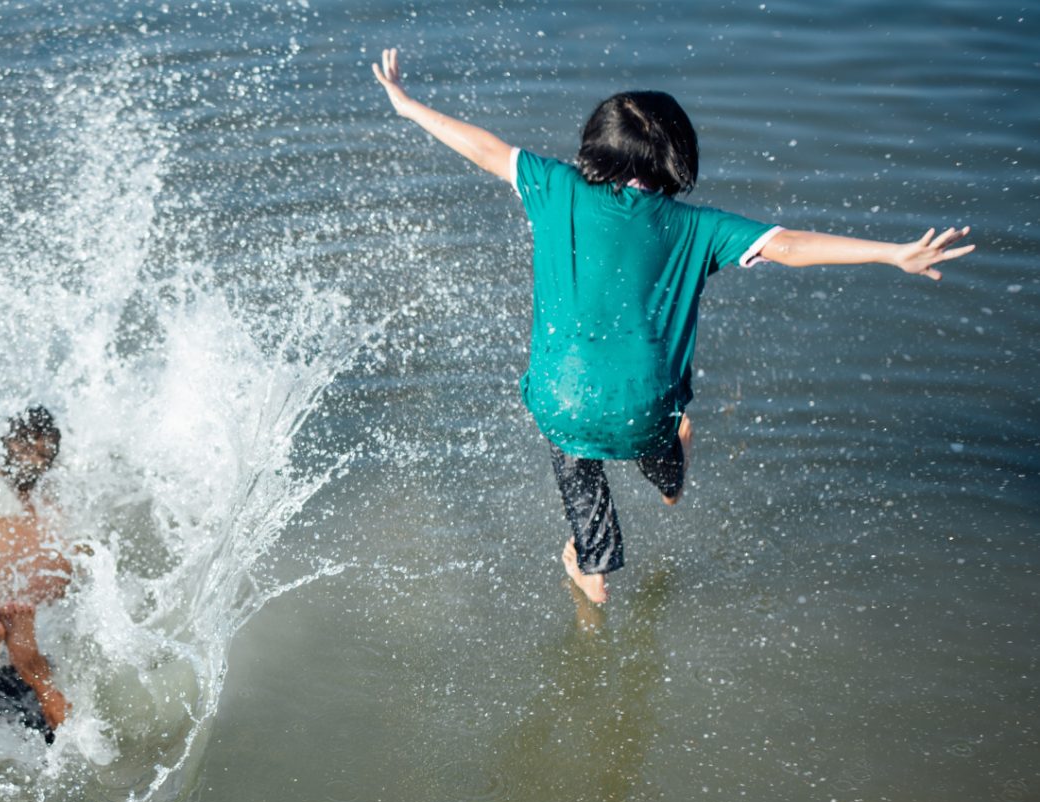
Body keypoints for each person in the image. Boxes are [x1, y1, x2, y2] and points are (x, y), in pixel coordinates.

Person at [371, 49, 975, 603]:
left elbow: (481, 147)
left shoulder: (552, 187)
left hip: (562, 402)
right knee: (654, 434)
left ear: (598, 147)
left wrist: (406, 103)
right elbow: (789, 245)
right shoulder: (698, 227)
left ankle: (593, 573)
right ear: (676, 159)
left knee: (577, 449)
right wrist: (892, 252)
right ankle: (669, 484)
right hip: (646, 407)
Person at [0, 406, 73, 742]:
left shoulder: (58, 524)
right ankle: (8, 663)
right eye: (25, 445)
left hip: (27, 660)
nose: (31, 456)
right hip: (24, 663)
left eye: (38, 449)